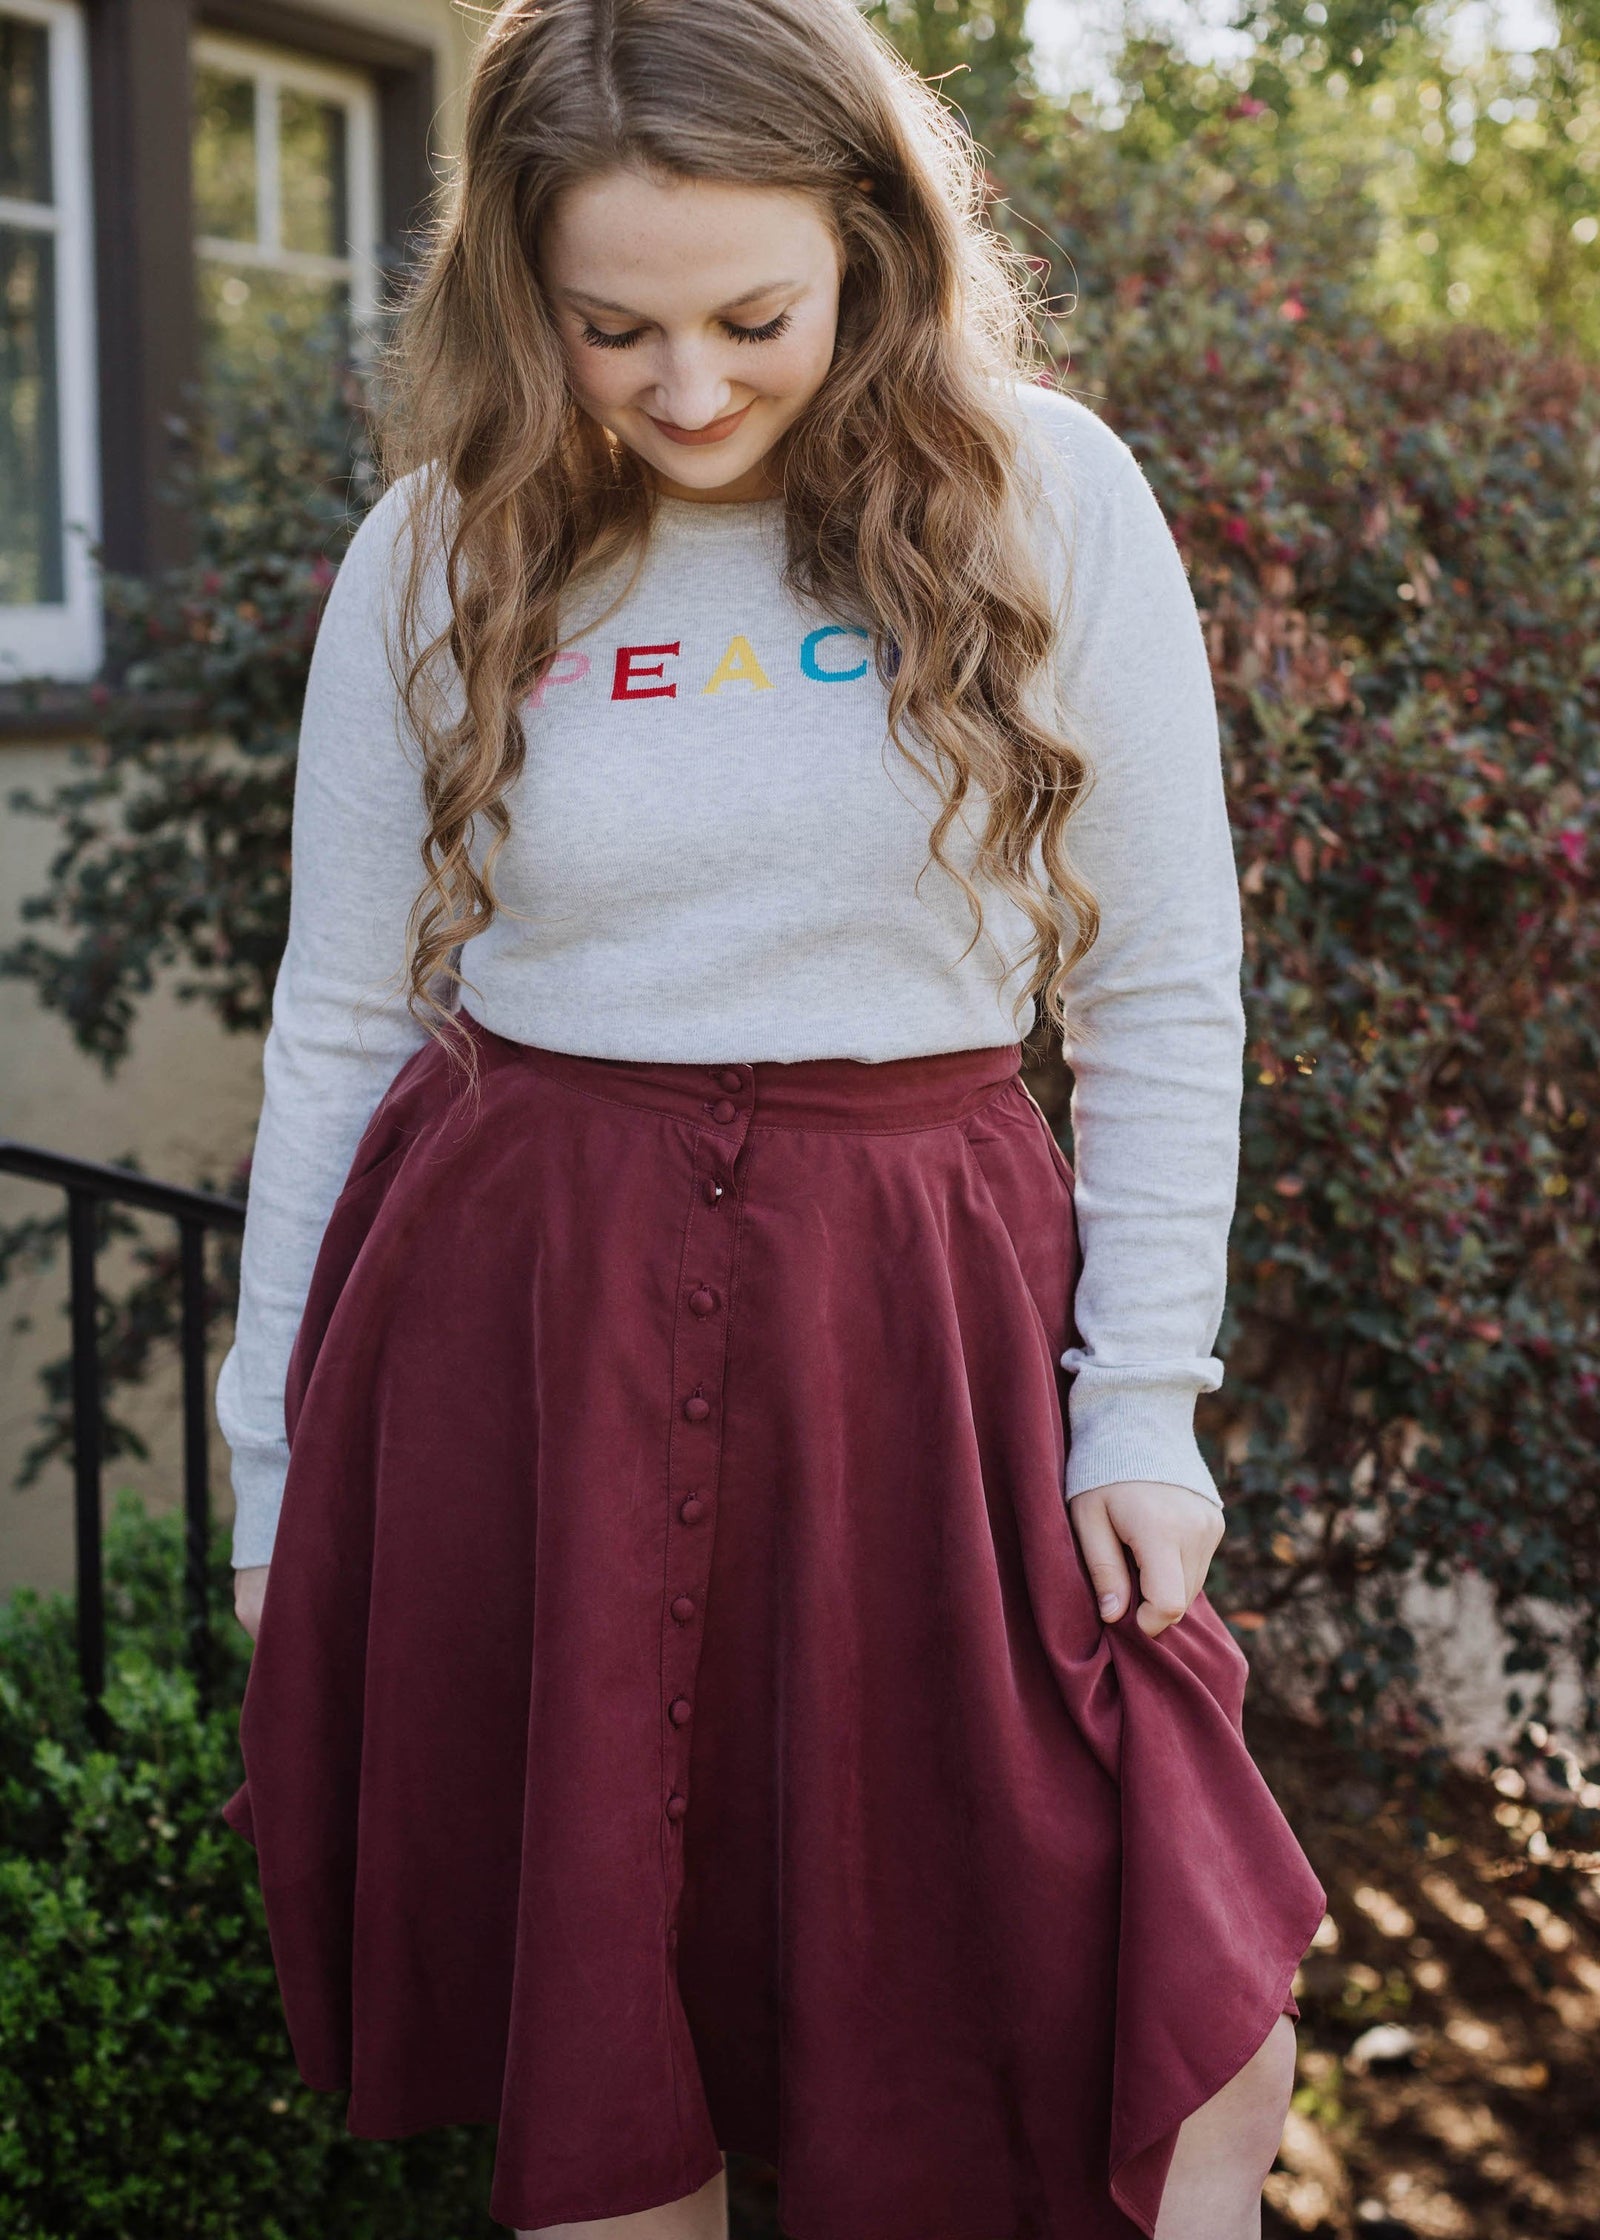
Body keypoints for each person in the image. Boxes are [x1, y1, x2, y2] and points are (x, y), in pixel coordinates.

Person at [215, 3, 1327, 2235]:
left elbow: (1154, 987)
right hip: (530, 1330)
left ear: (869, 250)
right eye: (611, 326)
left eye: (754, 315)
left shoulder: (1042, 495)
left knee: (1195, 2024)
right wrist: (274, 1465)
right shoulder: (433, 553)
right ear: (515, 293)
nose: (693, 388)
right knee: (609, 2037)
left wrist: (1140, 1410)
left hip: (924, 1317)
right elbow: (340, 1021)